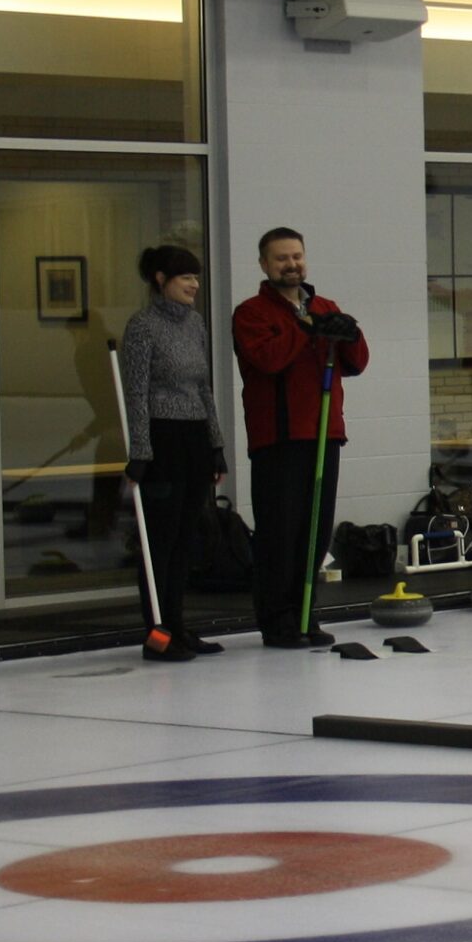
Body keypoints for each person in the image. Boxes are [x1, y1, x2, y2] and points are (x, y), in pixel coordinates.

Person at [229, 228, 368, 650]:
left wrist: (350, 332)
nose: (292, 265)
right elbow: (268, 360)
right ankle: (278, 620)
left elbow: (356, 363)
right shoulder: (251, 313)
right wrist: (306, 328)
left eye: (297, 257)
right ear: (264, 265)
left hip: (324, 432)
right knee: (280, 533)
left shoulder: (324, 306)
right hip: (280, 437)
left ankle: (307, 613)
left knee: (315, 531)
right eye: (281, 259)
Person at [117, 244, 227, 662]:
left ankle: (179, 625)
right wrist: (140, 451)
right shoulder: (143, 326)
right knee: (160, 543)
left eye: (197, 278)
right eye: (186, 278)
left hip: (195, 436)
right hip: (162, 440)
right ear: (161, 280)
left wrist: (216, 444)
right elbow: (136, 391)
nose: (194, 285)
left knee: (186, 539)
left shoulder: (195, 324)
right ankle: (158, 633)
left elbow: (203, 387)